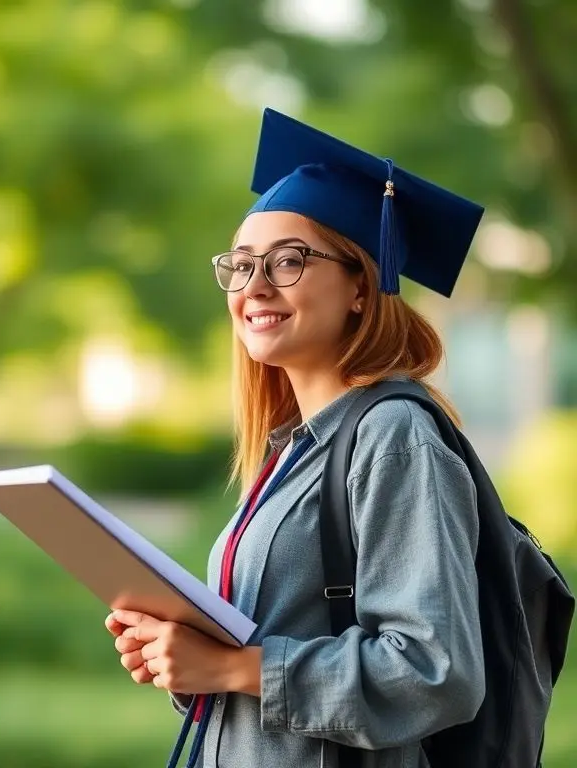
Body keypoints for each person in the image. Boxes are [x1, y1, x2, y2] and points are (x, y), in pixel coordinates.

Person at [105, 107, 486, 768]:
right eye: (241, 265)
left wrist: (233, 669)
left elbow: (436, 671)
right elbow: (278, 650)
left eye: (287, 262)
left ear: (361, 287)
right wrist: (185, 655)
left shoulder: (393, 437)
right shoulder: (292, 450)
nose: (254, 287)